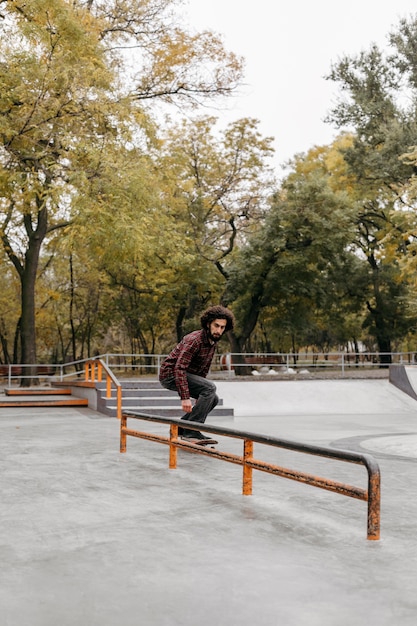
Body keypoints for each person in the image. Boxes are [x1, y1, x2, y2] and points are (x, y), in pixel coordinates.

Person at [159, 305, 235, 444]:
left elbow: (203, 370)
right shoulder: (194, 340)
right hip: (170, 374)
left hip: (186, 374)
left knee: (213, 398)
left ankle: (181, 428)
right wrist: (185, 397)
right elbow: (179, 368)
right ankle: (191, 431)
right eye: (216, 326)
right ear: (208, 324)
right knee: (210, 388)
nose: (218, 330)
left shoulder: (212, 343)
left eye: (222, 327)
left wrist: (201, 392)